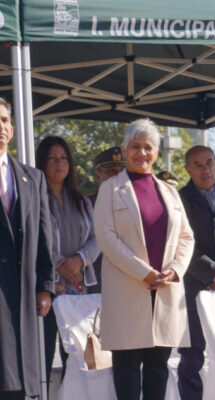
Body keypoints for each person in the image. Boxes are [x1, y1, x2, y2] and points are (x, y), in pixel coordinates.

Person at [93, 118, 195, 400]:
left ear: (156, 153)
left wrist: (174, 271)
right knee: (126, 371)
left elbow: (187, 238)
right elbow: (107, 239)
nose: (141, 153)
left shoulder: (170, 192)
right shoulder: (110, 189)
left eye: (147, 147)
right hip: (127, 292)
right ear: (125, 151)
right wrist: (144, 272)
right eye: (135, 147)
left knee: (158, 369)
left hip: (165, 292)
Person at [0, 97, 55, 400]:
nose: (1, 126)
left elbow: (44, 237)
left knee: (23, 382)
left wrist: (45, 287)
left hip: (24, 293)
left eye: (6, 120)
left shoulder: (32, 178)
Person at [35, 136, 100, 380]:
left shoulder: (83, 202)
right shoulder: (35, 199)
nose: (59, 163)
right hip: (47, 289)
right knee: (44, 354)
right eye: (51, 158)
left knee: (75, 356)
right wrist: (61, 264)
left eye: (63, 158)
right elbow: (35, 240)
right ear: (42, 162)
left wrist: (79, 260)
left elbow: (98, 239)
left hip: (79, 289)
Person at [178, 145, 215, 400]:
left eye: (209, 162)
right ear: (187, 169)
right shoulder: (178, 200)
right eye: (198, 165)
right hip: (193, 288)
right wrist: (212, 274)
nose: (206, 169)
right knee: (193, 356)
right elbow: (179, 244)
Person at [87, 146, 126, 294]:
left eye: (121, 172)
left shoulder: (136, 203)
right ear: (98, 175)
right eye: (110, 172)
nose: (117, 177)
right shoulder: (86, 205)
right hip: (98, 280)